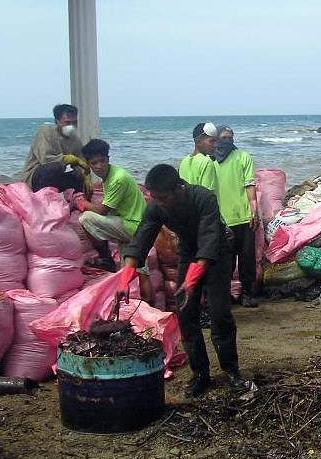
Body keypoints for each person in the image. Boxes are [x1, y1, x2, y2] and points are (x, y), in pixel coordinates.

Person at [119, 164, 249, 397]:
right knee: (186, 313)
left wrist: (190, 282)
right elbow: (142, 237)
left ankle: (232, 371)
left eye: (164, 197)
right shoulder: (157, 206)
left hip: (217, 252)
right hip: (189, 253)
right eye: (155, 198)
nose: (160, 203)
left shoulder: (203, 197)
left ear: (179, 187)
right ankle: (200, 374)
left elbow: (209, 239)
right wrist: (125, 277)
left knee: (220, 313)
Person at [76, 139, 153, 299]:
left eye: (102, 161)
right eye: (94, 163)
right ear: (88, 164)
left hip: (132, 226)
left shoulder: (117, 178)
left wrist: (82, 203)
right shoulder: (110, 176)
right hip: (136, 228)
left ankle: (104, 256)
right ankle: (148, 311)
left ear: (108, 159)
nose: (98, 166)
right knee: (137, 271)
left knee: (86, 218)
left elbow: (103, 210)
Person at [214, 126, 259, 308]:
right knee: (226, 261)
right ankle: (225, 295)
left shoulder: (243, 157)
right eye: (224, 137)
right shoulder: (210, 161)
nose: (228, 141)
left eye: (231, 137)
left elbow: (250, 185)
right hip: (221, 220)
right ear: (215, 139)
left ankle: (247, 293)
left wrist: (254, 210)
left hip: (243, 216)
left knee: (247, 259)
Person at [20, 104, 87, 192]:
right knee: (54, 167)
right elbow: (45, 160)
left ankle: (79, 202)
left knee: (79, 177)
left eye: (74, 122)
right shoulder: (46, 131)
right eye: (67, 123)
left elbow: (81, 160)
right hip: (34, 178)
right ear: (57, 121)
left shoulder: (75, 140)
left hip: (56, 177)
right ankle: (42, 200)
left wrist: (85, 173)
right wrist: (66, 158)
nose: (71, 126)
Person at [179, 122, 219, 192]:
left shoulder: (184, 161)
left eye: (216, 141)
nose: (215, 145)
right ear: (198, 142)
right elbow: (208, 195)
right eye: (211, 141)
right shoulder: (206, 162)